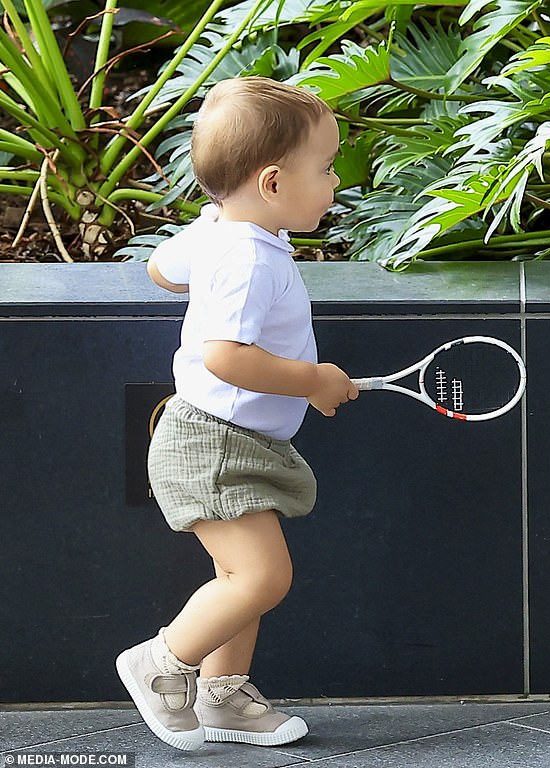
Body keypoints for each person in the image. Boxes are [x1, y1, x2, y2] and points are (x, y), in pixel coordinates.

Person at [115, 76, 359, 752]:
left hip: (230, 439)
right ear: (274, 183)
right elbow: (223, 355)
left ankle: (224, 698)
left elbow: (162, 269)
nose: (335, 182)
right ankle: (163, 662)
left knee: (239, 578)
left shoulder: (222, 229)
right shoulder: (251, 258)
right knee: (262, 577)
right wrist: (312, 379)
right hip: (213, 441)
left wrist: (202, 249)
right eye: (326, 167)